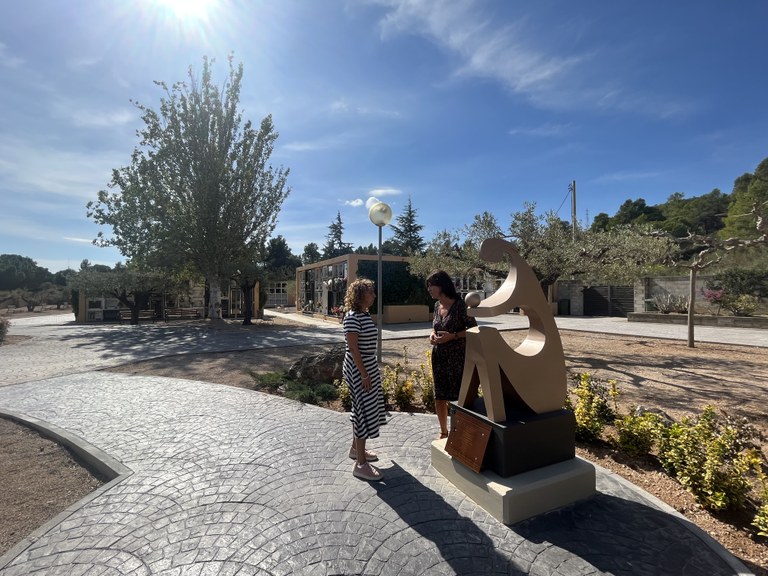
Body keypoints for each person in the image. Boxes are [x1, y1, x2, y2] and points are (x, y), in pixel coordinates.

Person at [342, 278, 385, 481]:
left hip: (366, 366)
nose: (374, 296)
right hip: (359, 368)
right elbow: (353, 348)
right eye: (371, 292)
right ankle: (360, 464)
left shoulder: (363, 315)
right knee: (363, 412)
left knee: (361, 409)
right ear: (360, 295)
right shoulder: (352, 317)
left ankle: (355, 450)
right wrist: (364, 374)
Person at [427, 270, 477, 439]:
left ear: (441, 286)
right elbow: (435, 327)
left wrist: (453, 336)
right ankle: (443, 431)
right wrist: (432, 335)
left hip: (457, 358)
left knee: (458, 395)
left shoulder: (460, 306)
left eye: (431, 286)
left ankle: (459, 433)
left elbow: (473, 330)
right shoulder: (436, 306)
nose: (429, 290)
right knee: (439, 394)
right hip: (439, 356)